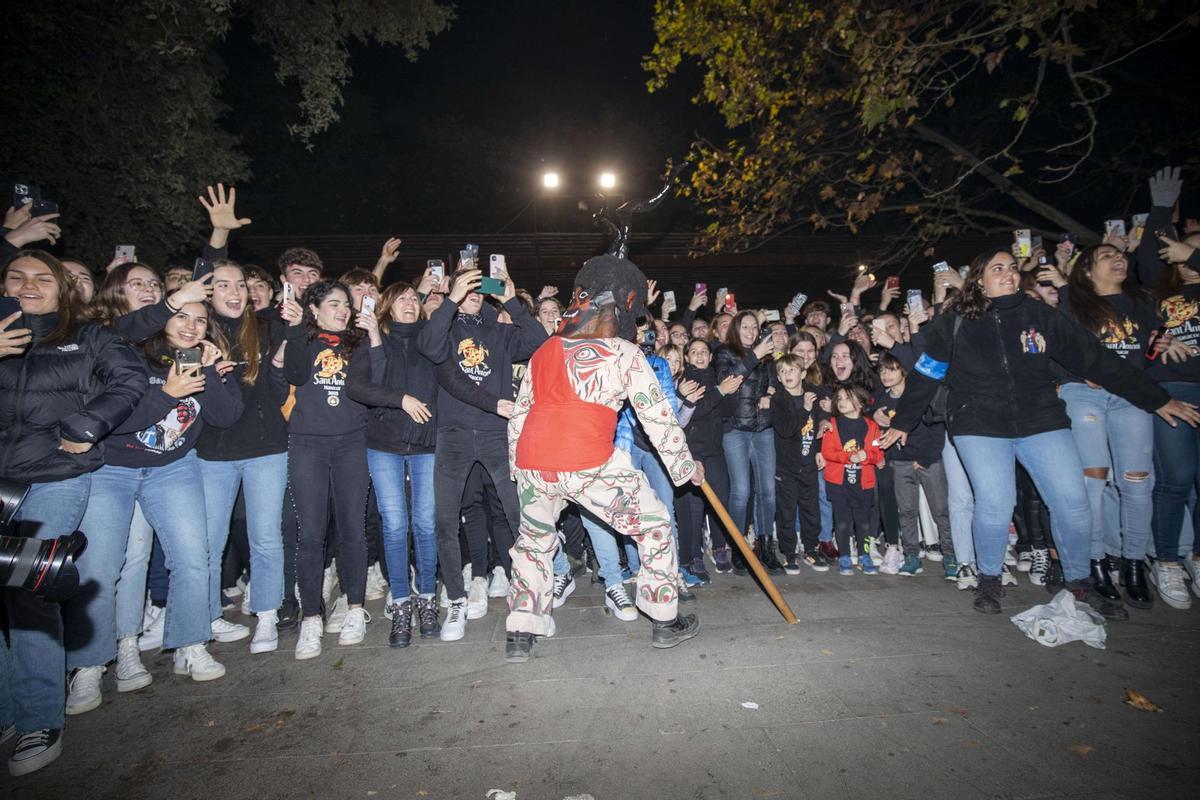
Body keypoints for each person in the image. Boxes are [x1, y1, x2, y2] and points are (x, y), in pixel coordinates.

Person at [881, 247, 1200, 617]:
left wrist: (1156, 399)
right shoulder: (954, 322)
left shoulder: (1041, 316)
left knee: (1073, 501)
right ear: (979, 283)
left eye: (1013, 268)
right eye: (997, 268)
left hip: (1041, 421)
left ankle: (1080, 582)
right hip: (979, 424)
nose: (1009, 273)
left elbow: (1097, 359)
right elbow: (926, 373)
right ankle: (988, 578)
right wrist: (903, 422)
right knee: (996, 504)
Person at [504, 254, 703, 662]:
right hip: (588, 460)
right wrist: (685, 468)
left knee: (533, 544)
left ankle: (521, 629)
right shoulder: (625, 353)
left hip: (534, 461)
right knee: (654, 524)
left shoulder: (544, 352)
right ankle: (664, 619)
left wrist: (518, 471)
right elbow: (658, 418)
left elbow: (519, 415)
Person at [0, 250, 146, 777]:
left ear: (63, 288)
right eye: (16, 276)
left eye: (43, 277)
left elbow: (128, 381)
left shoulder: (87, 336)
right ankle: (7, 710)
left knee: (27, 585)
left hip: (53, 475)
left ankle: (40, 715)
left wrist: (86, 425)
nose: (29, 285)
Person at [76, 300, 243, 701]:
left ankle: (190, 644)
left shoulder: (196, 361)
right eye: (182, 316)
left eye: (200, 319)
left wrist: (211, 373)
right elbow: (113, 419)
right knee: (108, 564)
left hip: (173, 468)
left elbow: (226, 416)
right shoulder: (127, 358)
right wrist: (168, 393)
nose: (191, 325)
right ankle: (98, 660)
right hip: (113, 468)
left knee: (192, 557)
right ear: (160, 319)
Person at [416, 262, 547, 642]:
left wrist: (511, 300)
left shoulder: (500, 330)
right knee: (445, 520)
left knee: (516, 513)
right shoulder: (445, 326)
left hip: (495, 435)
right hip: (453, 434)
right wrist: (451, 300)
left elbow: (538, 341)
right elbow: (427, 347)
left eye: (479, 288)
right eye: (465, 288)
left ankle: (529, 595)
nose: (473, 294)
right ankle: (456, 599)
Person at [193, 185, 291, 653]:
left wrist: (278, 360)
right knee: (209, 543)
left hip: (267, 449)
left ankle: (267, 615)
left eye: (240, 285)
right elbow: (199, 278)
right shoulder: (198, 330)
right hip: (212, 453)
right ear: (206, 293)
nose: (233, 292)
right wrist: (218, 235)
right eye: (221, 285)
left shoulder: (266, 327)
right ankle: (207, 617)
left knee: (265, 537)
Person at [1054, 241, 1170, 609]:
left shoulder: (1142, 304)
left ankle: (1134, 562)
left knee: (1137, 481)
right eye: (1106, 256)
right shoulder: (1073, 302)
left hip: (1130, 395)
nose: (1118, 259)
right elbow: (1058, 350)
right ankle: (1096, 561)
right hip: (1085, 394)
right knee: (1094, 479)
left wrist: (1157, 351)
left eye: (1121, 256)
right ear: (1087, 270)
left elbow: (1146, 358)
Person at [278, 279, 374, 660]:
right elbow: (296, 376)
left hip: (351, 442)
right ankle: (311, 617)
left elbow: (374, 381)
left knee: (353, 529)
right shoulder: (302, 339)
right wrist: (294, 328)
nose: (343, 310)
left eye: (345, 304)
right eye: (333, 304)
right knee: (311, 533)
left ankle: (354, 609)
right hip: (308, 444)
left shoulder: (359, 343)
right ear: (313, 309)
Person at [346, 282, 441, 647]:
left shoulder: (429, 341)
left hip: (425, 444)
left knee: (425, 523)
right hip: (384, 444)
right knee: (395, 524)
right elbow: (359, 386)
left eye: (414, 298)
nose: (410, 303)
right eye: (401, 298)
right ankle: (401, 603)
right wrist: (400, 398)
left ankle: (428, 598)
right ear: (387, 305)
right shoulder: (373, 339)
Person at [1136, 166, 1200, 609]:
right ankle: (1168, 561)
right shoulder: (1161, 293)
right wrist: (1161, 212)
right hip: (1175, 387)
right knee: (1175, 478)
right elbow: (1147, 258)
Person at [874, 353, 957, 579]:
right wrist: (872, 414)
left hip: (927, 461)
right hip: (900, 462)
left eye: (891, 369)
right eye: (881, 370)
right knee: (907, 512)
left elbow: (937, 426)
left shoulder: (919, 395)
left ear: (903, 371)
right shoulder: (882, 399)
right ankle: (911, 555)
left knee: (940, 510)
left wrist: (928, 457)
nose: (885, 375)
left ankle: (951, 555)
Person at [715, 311, 781, 572]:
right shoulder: (724, 352)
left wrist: (771, 395)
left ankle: (766, 546)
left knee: (767, 491)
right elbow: (727, 380)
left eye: (755, 327)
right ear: (735, 328)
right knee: (741, 491)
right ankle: (739, 548)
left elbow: (775, 384)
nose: (751, 331)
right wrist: (755, 356)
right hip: (735, 430)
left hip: (763, 428)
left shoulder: (766, 357)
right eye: (746, 326)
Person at [771, 354, 829, 573]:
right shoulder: (779, 399)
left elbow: (813, 429)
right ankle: (789, 552)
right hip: (787, 466)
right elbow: (786, 430)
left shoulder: (811, 397)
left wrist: (818, 451)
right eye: (783, 372)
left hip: (808, 464)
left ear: (803, 374)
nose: (787, 375)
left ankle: (811, 548)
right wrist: (803, 409)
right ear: (778, 377)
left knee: (811, 509)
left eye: (792, 370)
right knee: (786, 511)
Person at [822, 384, 885, 576]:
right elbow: (827, 452)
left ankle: (865, 555)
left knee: (863, 522)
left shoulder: (872, 426)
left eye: (846, 398)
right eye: (838, 399)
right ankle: (844, 556)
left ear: (859, 403)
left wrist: (867, 456)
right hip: (839, 484)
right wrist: (847, 457)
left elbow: (878, 454)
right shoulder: (832, 424)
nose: (840, 402)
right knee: (842, 521)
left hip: (863, 484)